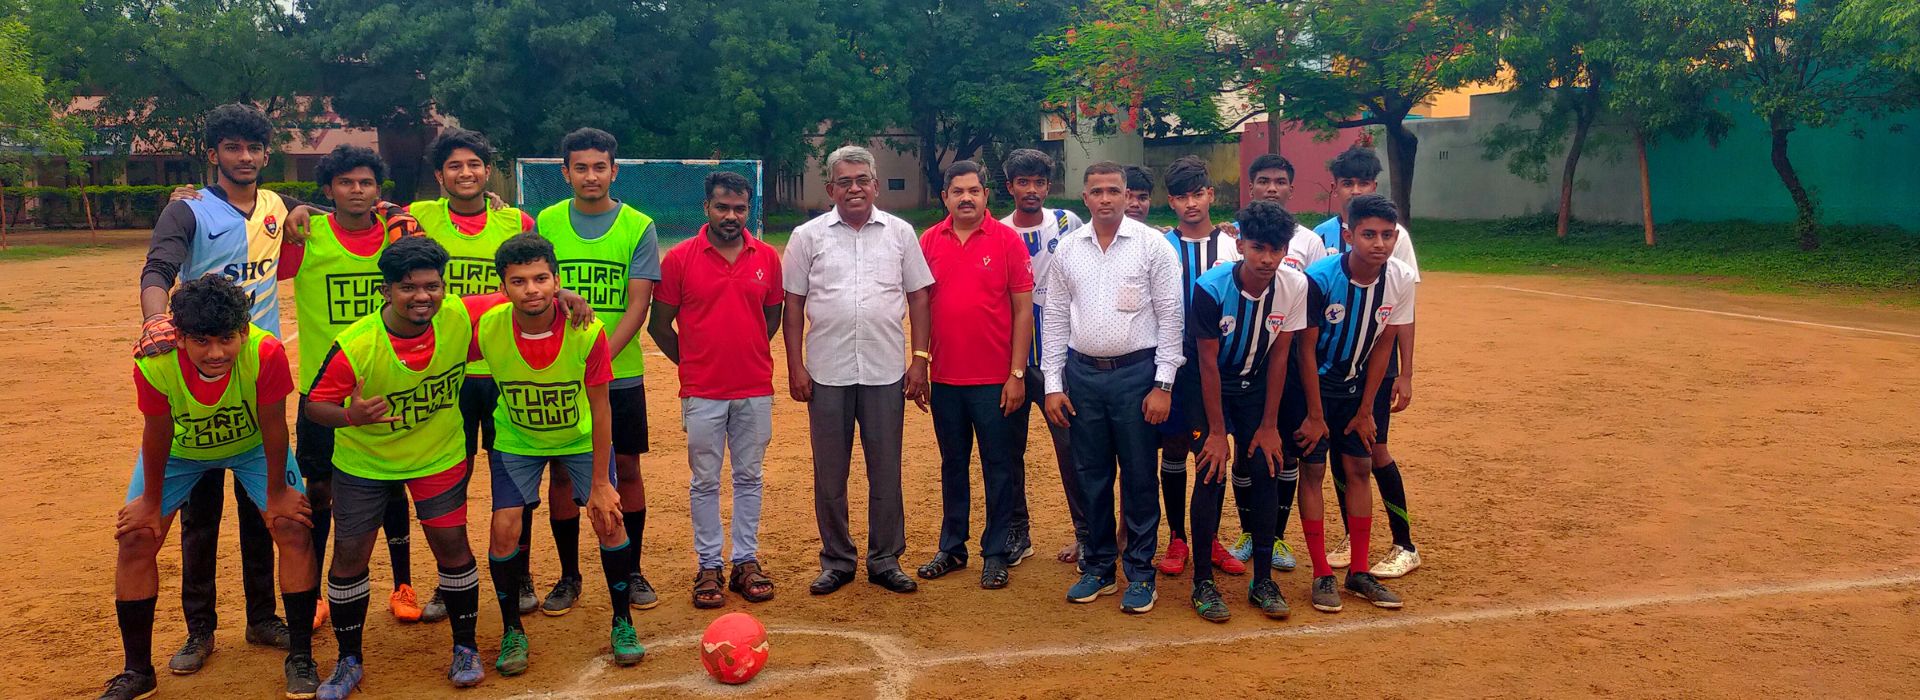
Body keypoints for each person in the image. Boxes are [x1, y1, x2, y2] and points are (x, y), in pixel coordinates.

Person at [133, 103, 320, 674]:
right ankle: (200, 630)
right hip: (202, 365)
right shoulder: (188, 209)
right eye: (233, 147)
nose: (245, 157)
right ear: (213, 153)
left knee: (268, 510)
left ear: (266, 154)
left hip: (258, 370)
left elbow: (338, 211)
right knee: (199, 515)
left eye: (254, 148)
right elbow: (158, 269)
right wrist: (156, 318)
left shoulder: (278, 205)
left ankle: (263, 618)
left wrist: (389, 210)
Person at [101, 275, 319, 700]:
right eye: (202, 341)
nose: (216, 353)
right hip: (182, 452)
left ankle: (301, 656)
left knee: (293, 527)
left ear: (244, 331)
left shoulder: (266, 352)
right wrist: (150, 503)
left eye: (226, 339)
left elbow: (274, 425)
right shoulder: (155, 362)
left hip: (252, 447)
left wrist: (277, 494)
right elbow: (158, 431)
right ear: (180, 337)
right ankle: (137, 671)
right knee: (137, 537)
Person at [303, 237, 491, 696]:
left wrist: (565, 295)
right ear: (386, 291)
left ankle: (465, 647)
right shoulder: (357, 345)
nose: (422, 296)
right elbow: (314, 406)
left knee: (452, 545)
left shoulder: (458, 316)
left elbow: (521, 298)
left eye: (432, 286)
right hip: (366, 463)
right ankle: (348, 660)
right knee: (350, 555)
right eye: (408, 288)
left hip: (437, 455)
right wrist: (351, 417)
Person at [471, 234, 644, 676]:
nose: (532, 289)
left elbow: (601, 406)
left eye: (541, 279)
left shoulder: (587, 330)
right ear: (502, 286)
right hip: (517, 439)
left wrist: (603, 483)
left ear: (556, 279)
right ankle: (512, 630)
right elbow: (436, 313)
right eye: (519, 281)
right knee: (504, 528)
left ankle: (623, 622)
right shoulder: (485, 324)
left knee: (609, 519)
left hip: (579, 439)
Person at [406, 128, 543, 621]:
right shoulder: (416, 219)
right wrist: (296, 208)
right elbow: (352, 209)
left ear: (488, 171)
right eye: (454, 166)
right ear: (440, 175)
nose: (465, 173)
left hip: (506, 370)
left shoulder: (516, 221)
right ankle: (452, 578)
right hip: (447, 373)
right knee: (450, 478)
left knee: (515, 477)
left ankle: (520, 573)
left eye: (474, 164)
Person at [783, 145, 933, 597]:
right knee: (830, 474)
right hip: (826, 371)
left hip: (885, 370)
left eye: (862, 180)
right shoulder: (807, 236)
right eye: (844, 182)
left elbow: (919, 296)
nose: (854, 188)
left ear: (876, 186)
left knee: (885, 470)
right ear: (831, 189)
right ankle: (837, 560)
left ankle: (885, 559)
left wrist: (919, 359)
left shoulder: (900, 234)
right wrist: (795, 365)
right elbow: (793, 303)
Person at [284, 145, 423, 629]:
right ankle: (316, 592)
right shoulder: (307, 234)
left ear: (378, 189)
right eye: (346, 182)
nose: (357, 190)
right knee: (320, 488)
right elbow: (259, 245)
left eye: (366, 182)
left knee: (391, 484)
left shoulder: (397, 235)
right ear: (328, 189)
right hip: (323, 390)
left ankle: (403, 584)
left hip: (385, 384)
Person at [1042, 161, 1184, 614]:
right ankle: (1100, 566)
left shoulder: (1153, 246)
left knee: (1140, 476)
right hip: (1083, 376)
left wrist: (1163, 383)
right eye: (1097, 191)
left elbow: (1171, 317)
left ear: (1127, 195)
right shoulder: (1069, 249)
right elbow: (1056, 317)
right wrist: (1053, 383)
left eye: (1114, 191)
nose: (1105, 199)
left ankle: (1140, 573)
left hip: (1136, 376)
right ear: (1084, 197)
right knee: (1092, 474)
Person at [533, 128, 663, 614]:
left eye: (600, 167)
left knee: (626, 467)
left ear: (614, 170)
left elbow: (638, 304)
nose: (591, 176)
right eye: (581, 167)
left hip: (620, 372)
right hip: (559, 373)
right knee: (563, 474)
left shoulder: (638, 225)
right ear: (565, 172)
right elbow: (535, 286)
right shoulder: (547, 221)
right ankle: (569, 575)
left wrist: (600, 356)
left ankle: (631, 570)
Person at [649, 171, 782, 608]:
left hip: (754, 387)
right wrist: (693, 364)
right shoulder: (679, 259)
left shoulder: (767, 257)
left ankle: (745, 561)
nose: (731, 216)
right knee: (704, 481)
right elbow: (659, 325)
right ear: (706, 207)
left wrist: (746, 353)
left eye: (740, 208)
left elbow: (771, 317)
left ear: (749, 210)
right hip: (702, 391)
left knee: (750, 477)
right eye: (722, 207)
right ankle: (709, 565)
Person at [1181, 200, 1315, 623]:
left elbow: (1280, 357)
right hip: (1208, 387)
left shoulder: (1294, 286)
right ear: (1240, 245)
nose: (1267, 258)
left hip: (1255, 386)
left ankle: (1263, 581)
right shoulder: (1210, 287)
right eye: (1258, 247)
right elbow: (1207, 364)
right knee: (1212, 470)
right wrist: (1216, 433)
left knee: (1265, 467)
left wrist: (1270, 425)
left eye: (1276, 249)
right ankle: (1203, 581)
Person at [914, 160, 1035, 589]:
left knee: (999, 466)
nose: (966, 198)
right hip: (946, 379)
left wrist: (1016, 373)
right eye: (958, 191)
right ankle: (952, 547)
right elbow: (921, 305)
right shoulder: (929, 241)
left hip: (995, 380)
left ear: (986, 195)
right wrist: (921, 360)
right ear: (944, 196)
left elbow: (1023, 311)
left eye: (974, 191)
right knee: (953, 464)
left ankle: (996, 551)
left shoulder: (1007, 241)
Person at [1308, 147, 1423, 579]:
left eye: (1363, 183)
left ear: (1374, 186)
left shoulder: (1395, 237)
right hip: (1327, 362)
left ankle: (1404, 543)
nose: (1355, 190)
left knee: (1372, 450)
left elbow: (1400, 313)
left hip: (1373, 359)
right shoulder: (1321, 236)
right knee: (1338, 453)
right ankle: (1350, 538)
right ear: (1335, 188)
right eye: (1347, 184)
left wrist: (1405, 373)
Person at [1224, 152, 1324, 573]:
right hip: (1247, 362)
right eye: (1263, 180)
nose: (1271, 187)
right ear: (1251, 187)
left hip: (1290, 358)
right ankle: (1249, 531)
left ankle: (1277, 535)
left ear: (1291, 188)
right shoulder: (1236, 233)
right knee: (1245, 450)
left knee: (1283, 450)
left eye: (1279, 181)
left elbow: (1311, 300)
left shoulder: (1309, 241)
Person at [1155, 156, 1245, 579]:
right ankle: (1177, 537)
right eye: (1181, 197)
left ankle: (1208, 538)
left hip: (1222, 365)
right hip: (1174, 364)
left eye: (1198, 194)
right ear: (1171, 201)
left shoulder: (1232, 245)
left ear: (1210, 194)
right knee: (1174, 447)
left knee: (1213, 450)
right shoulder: (1159, 246)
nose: (1191, 204)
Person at [997, 148, 1085, 565]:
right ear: (1010, 186)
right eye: (1023, 182)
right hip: (1010, 359)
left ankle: (1086, 534)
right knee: (1008, 450)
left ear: (1048, 186)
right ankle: (1019, 533)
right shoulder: (998, 231)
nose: (1031, 190)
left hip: (1060, 360)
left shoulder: (1068, 223)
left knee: (1072, 450)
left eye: (1038, 182)